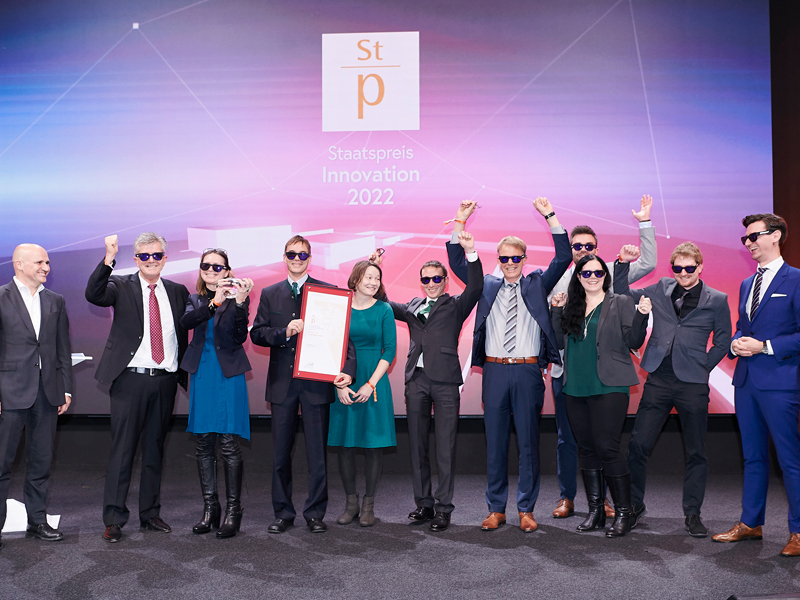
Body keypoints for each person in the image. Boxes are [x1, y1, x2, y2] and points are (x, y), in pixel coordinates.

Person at [448, 197, 571, 532]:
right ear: (498, 260)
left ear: (525, 259)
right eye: (504, 258)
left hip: (528, 371)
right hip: (495, 371)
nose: (510, 263)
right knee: (496, 443)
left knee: (529, 443)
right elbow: (458, 262)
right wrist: (459, 221)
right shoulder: (486, 285)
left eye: (516, 258)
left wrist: (550, 215)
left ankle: (526, 509)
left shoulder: (537, 283)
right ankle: (496, 509)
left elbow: (564, 257)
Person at [547, 195, 657, 519]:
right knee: (572, 441)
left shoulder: (607, 271)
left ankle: (609, 504)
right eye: (577, 247)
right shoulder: (558, 276)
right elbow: (553, 328)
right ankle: (568, 498)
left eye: (589, 246)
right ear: (570, 250)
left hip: (606, 376)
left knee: (605, 443)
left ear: (597, 249)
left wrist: (645, 223)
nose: (584, 253)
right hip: (569, 375)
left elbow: (648, 263)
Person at [614, 242, 731, 537]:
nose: (683, 273)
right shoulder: (661, 288)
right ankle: (635, 505)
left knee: (696, 451)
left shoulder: (717, 299)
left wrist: (703, 367)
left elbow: (723, 340)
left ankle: (692, 513)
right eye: (678, 268)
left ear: (700, 267)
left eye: (689, 268)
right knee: (638, 445)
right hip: (659, 378)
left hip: (692, 383)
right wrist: (622, 263)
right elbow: (622, 293)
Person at [369, 232, 482, 531]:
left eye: (436, 278)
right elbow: (383, 303)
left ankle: (444, 508)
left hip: (445, 382)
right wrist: (375, 269)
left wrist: (471, 252)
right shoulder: (412, 306)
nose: (431, 283)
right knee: (417, 445)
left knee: (445, 447)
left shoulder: (456, 305)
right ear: (421, 282)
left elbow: (476, 286)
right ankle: (424, 504)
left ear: (445, 281)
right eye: (426, 279)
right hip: (416, 381)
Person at [86, 233, 189, 543]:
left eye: (156, 255)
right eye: (144, 256)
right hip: (130, 380)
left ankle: (150, 514)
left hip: (165, 380)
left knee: (155, 449)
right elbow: (94, 294)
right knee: (123, 450)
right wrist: (108, 258)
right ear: (136, 259)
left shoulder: (178, 291)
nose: (151, 261)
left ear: (165, 258)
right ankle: (114, 518)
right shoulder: (120, 285)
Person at [250, 235, 356, 534]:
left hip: (316, 385)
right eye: (292, 254)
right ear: (284, 257)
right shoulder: (270, 293)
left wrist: (347, 371)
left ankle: (315, 513)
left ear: (310, 258)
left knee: (317, 455)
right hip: (282, 384)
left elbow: (344, 338)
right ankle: (283, 513)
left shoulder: (328, 293)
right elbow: (257, 333)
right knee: (280, 454)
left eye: (302, 255)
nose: (297, 259)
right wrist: (283, 332)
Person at [713, 213, 800, 557]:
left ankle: (798, 531)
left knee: (790, 459)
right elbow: (743, 326)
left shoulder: (796, 279)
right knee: (752, 457)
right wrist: (736, 343)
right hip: (746, 381)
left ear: (775, 236)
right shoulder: (748, 283)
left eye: (754, 236)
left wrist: (765, 346)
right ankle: (751, 523)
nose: (748, 243)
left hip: (780, 383)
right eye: (745, 239)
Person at [0, 244, 72, 548]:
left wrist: (65, 387)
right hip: (8, 393)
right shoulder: (1, 297)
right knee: (1, 464)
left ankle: (37, 521)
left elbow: (63, 347)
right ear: (19, 264)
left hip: (47, 392)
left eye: (48, 262)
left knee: (41, 461)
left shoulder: (55, 300)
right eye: (40, 262)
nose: (46, 267)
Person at [180, 249, 254, 539]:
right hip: (202, 372)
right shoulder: (195, 299)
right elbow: (186, 323)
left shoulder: (238, 300)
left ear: (227, 271)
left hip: (229, 374)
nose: (211, 270)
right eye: (206, 265)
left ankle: (234, 511)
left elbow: (240, 336)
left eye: (217, 266)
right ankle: (210, 508)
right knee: (204, 443)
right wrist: (215, 302)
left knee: (229, 444)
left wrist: (240, 303)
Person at [329, 260, 397, 527]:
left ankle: (369, 505)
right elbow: (331, 346)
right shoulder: (340, 308)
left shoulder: (384, 309)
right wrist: (340, 385)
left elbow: (389, 350)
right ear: (355, 280)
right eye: (368, 277)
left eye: (377, 278)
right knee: (345, 445)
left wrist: (370, 384)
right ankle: (351, 504)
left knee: (373, 446)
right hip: (343, 380)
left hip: (374, 382)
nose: (373, 282)